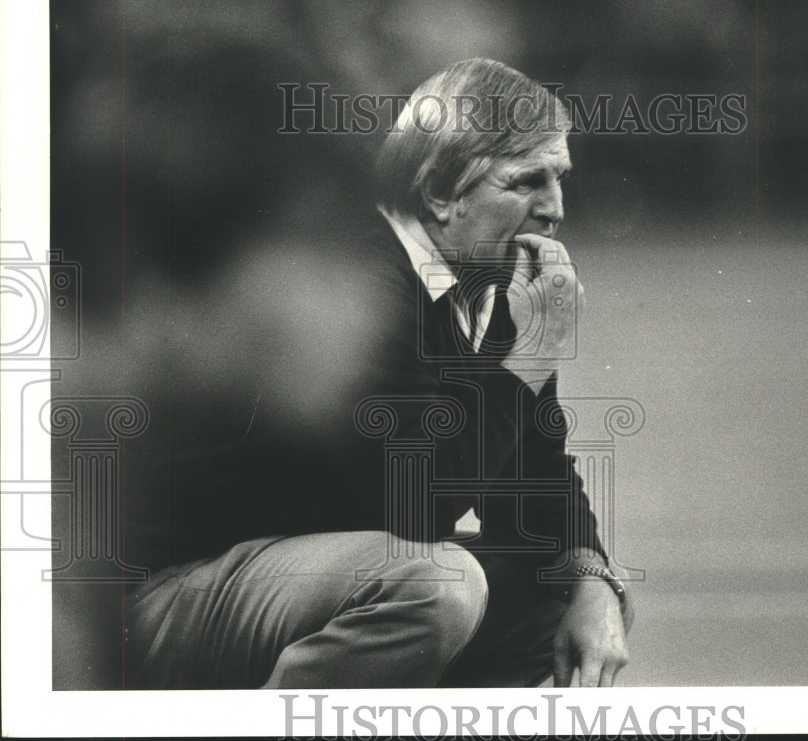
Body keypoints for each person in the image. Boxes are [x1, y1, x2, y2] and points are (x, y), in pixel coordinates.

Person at [124, 57, 632, 689]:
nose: (554, 209)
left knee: (543, 592)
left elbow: (533, 474)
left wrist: (591, 579)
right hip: (165, 596)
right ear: (439, 193)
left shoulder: (482, 281)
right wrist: (531, 352)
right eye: (527, 181)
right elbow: (413, 506)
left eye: (559, 179)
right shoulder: (359, 278)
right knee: (436, 585)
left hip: (291, 580)